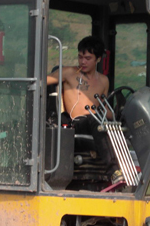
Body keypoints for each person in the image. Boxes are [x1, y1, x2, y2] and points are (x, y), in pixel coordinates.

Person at [47, 36, 121, 184]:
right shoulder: (68, 73)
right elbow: (44, 80)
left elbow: (104, 107)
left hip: (94, 123)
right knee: (95, 120)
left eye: (88, 58)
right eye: (80, 57)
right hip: (75, 124)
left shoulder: (103, 81)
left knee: (114, 123)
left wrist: (120, 116)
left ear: (98, 59)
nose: (83, 62)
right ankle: (115, 171)